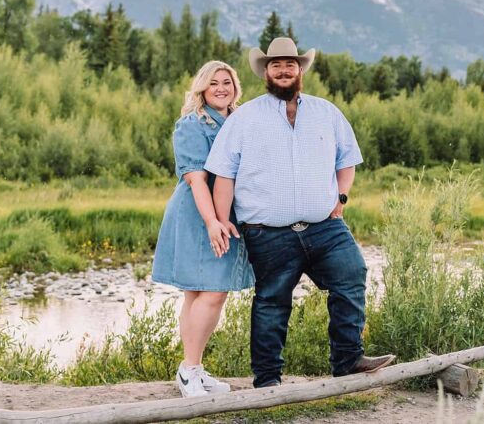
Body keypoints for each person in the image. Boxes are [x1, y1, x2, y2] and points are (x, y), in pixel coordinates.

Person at [206, 37, 395, 388]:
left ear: (299, 69)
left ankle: (348, 361)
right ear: (266, 71)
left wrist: (340, 198)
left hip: (325, 227)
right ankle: (267, 381)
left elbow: (347, 160)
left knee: (352, 275)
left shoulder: (327, 113)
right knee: (272, 302)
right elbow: (224, 174)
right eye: (275, 65)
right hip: (267, 232)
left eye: (289, 64)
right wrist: (224, 222)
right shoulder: (245, 117)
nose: (282, 70)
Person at [151, 60, 255, 397]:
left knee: (200, 294)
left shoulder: (237, 121)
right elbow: (196, 179)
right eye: (214, 83)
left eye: (227, 82)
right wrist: (212, 222)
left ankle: (193, 367)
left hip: (226, 213)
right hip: (198, 214)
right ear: (202, 89)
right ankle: (189, 371)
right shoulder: (191, 124)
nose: (222, 88)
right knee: (211, 292)